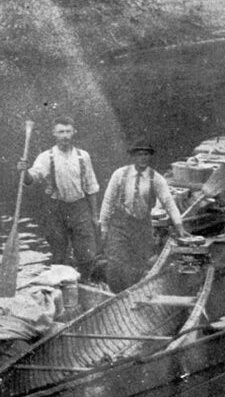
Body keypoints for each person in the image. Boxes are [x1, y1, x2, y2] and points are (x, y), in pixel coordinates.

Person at [97, 142, 190, 292]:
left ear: (150, 156)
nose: (143, 158)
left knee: (137, 265)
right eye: (139, 154)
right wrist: (103, 226)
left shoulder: (157, 179)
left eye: (146, 154)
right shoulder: (120, 174)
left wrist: (179, 226)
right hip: (119, 224)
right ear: (133, 156)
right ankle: (114, 295)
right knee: (115, 263)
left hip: (141, 225)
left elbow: (168, 202)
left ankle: (130, 296)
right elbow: (108, 200)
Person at [17, 116, 101, 278]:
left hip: (80, 207)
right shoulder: (45, 157)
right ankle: (63, 287)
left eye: (68, 131)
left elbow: (91, 187)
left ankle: (84, 283)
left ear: (74, 132)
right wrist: (24, 171)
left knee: (87, 253)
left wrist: (94, 215)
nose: (65, 136)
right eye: (61, 132)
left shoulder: (83, 156)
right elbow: (31, 179)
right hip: (56, 209)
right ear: (54, 134)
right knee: (59, 254)